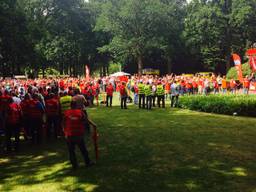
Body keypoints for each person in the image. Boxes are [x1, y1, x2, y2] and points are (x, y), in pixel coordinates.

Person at [63, 101, 96, 169]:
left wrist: (65, 131)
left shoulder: (66, 112)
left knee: (71, 151)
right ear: (76, 105)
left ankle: (74, 165)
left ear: (70, 105)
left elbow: (63, 122)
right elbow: (86, 120)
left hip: (70, 135)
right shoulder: (80, 112)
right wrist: (93, 124)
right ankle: (87, 162)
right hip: (78, 134)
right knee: (83, 150)